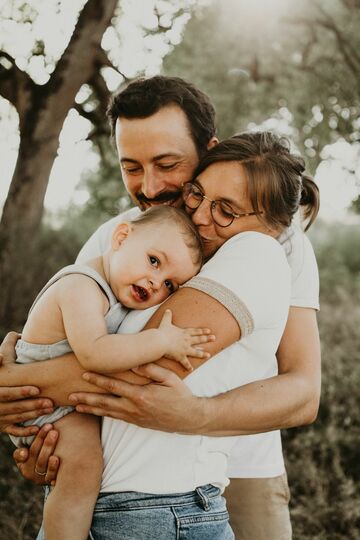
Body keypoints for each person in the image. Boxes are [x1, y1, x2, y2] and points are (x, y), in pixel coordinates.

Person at [0, 76, 321, 539]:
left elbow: (303, 391)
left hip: (243, 466)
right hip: (121, 477)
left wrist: (198, 415)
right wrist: (32, 429)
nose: (149, 187)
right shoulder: (120, 234)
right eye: (132, 167)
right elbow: (63, 343)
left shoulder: (274, 245)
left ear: (208, 150)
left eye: (167, 164)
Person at [9, 205, 213, 540]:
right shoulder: (81, 285)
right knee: (83, 469)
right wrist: (161, 340)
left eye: (170, 285)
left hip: (60, 398)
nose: (155, 281)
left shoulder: (111, 287)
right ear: (120, 237)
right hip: (45, 407)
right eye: (153, 260)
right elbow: (94, 353)